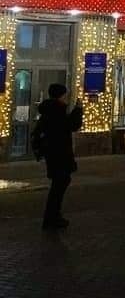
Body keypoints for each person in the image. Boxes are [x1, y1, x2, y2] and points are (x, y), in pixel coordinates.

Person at [32, 83, 83, 230]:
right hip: (59, 153)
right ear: (61, 96)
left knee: (59, 184)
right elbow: (71, 125)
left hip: (53, 153)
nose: (66, 98)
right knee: (59, 185)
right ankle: (51, 218)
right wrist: (78, 109)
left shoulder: (48, 110)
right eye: (65, 95)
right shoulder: (57, 111)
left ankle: (53, 217)